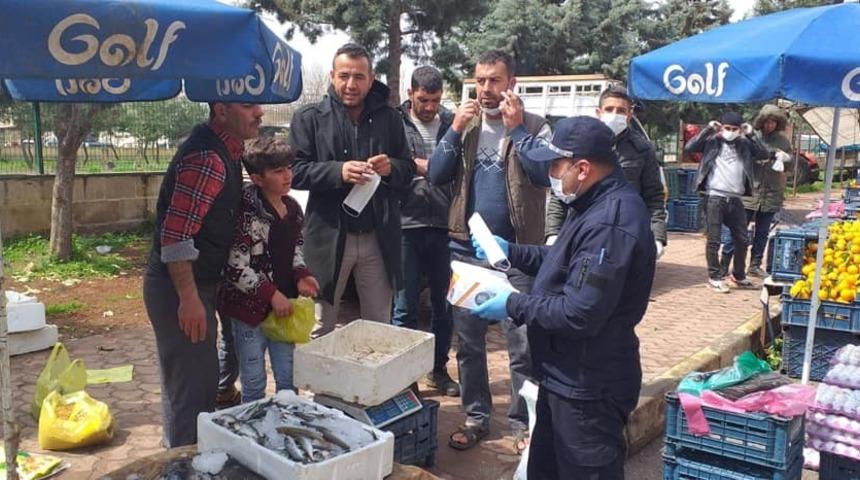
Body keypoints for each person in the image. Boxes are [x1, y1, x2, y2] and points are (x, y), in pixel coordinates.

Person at [469, 116, 656, 480]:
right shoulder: (590, 204)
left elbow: (578, 312)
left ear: (582, 169)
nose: (551, 174)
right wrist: (511, 251)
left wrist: (511, 303)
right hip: (563, 375)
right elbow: (563, 260)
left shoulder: (610, 222)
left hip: (588, 387)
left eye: (556, 165)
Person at [427, 49, 551, 453]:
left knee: (522, 344)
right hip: (466, 250)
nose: (486, 89)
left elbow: (543, 175)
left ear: (511, 83)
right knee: (469, 344)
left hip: (519, 254)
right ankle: (476, 417)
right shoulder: (465, 126)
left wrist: (518, 131)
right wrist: (454, 129)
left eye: (494, 80)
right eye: (480, 80)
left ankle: (521, 423)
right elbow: (436, 174)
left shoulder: (535, 125)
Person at [143, 102, 263, 447]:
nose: (260, 113)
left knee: (191, 386)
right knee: (193, 394)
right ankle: (182, 463)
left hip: (197, 283)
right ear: (221, 110)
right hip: (180, 287)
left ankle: (180, 458)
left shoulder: (229, 151)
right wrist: (189, 298)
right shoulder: (208, 159)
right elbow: (176, 237)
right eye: (248, 105)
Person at [289, 43, 414, 336]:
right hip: (328, 235)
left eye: (359, 77)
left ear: (371, 79)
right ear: (332, 76)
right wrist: (338, 171)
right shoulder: (309, 118)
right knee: (319, 326)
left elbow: (408, 169)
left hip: (377, 237)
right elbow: (293, 172)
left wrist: (391, 168)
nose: (350, 84)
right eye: (344, 75)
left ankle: (373, 370)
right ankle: (316, 371)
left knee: (378, 326)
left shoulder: (390, 118)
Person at [217, 137, 320, 403]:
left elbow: (296, 250)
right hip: (247, 312)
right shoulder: (246, 214)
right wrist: (271, 294)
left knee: (288, 378)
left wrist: (302, 275)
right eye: (278, 171)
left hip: (283, 309)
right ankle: (253, 426)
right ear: (257, 179)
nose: (287, 176)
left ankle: (287, 421)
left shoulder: (293, 209)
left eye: (289, 168)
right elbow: (236, 267)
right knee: (253, 383)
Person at [393, 66, 460, 397]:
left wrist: (423, 166)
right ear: (410, 94)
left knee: (443, 305)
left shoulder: (452, 122)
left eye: (435, 100)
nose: (430, 107)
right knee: (404, 307)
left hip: (445, 225)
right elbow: (391, 163)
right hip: (405, 224)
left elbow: (455, 168)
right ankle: (405, 377)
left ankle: (438, 370)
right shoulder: (395, 122)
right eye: (423, 100)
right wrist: (422, 166)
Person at [544, 85, 667, 257]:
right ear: (599, 112)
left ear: (629, 115)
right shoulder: (583, 142)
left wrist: (657, 236)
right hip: (583, 229)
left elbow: (653, 197)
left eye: (621, 111)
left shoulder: (642, 149)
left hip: (625, 233)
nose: (615, 115)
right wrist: (553, 233)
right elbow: (561, 193)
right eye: (609, 109)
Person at [685, 111, 770, 293]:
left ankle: (738, 275)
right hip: (714, 196)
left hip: (735, 198)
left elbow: (764, 154)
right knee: (714, 240)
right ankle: (715, 277)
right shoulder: (712, 142)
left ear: (740, 129)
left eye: (734, 129)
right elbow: (690, 147)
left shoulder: (744, 144)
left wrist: (751, 134)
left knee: (742, 239)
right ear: (721, 128)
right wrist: (708, 129)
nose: (730, 132)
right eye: (727, 128)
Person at [720, 105, 793, 277]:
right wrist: (763, 155)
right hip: (749, 192)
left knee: (762, 232)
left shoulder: (783, 141)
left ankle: (754, 265)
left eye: (773, 122)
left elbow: (790, 166)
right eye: (767, 122)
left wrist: (786, 159)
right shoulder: (751, 137)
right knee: (737, 230)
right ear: (761, 122)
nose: (770, 125)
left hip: (771, 193)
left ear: (778, 123)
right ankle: (724, 264)